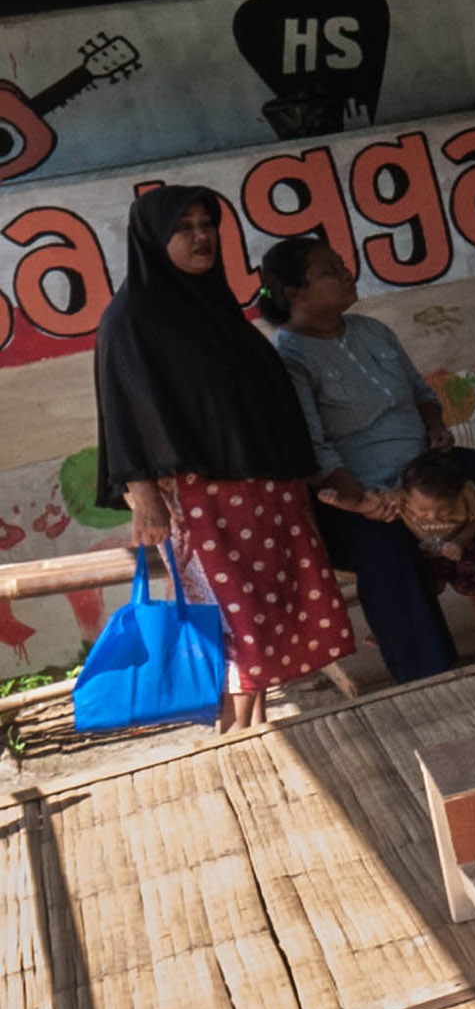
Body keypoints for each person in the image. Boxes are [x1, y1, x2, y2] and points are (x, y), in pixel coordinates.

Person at [91, 185, 356, 725]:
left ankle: (253, 726)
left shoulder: (212, 303)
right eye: (183, 227)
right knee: (229, 622)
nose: (201, 236)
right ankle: (232, 738)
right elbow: (122, 409)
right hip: (201, 499)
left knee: (261, 618)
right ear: (153, 238)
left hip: (262, 492)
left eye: (206, 224)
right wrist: (143, 495)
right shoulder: (132, 316)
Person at [258, 229, 475, 685]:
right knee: (387, 552)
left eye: (342, 265)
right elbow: (313, 449)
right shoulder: (289, 359)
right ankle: (428, 674)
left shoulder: (371, 330)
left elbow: (420, 392)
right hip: (357, 490)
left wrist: (434, 425)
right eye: (330, 271)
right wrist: (363, 500)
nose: (346, 274)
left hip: (426, 470)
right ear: (295, 294)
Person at [394, 446, 475, 649]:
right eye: (423, 510)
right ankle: (396, 626)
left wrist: (461, 540)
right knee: (417, 590)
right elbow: (370, 503)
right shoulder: (396, 498)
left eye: (443, 509)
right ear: (405, 495)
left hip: (462, 547)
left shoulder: (467, 494)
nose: (433, 516)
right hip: (424, 553)